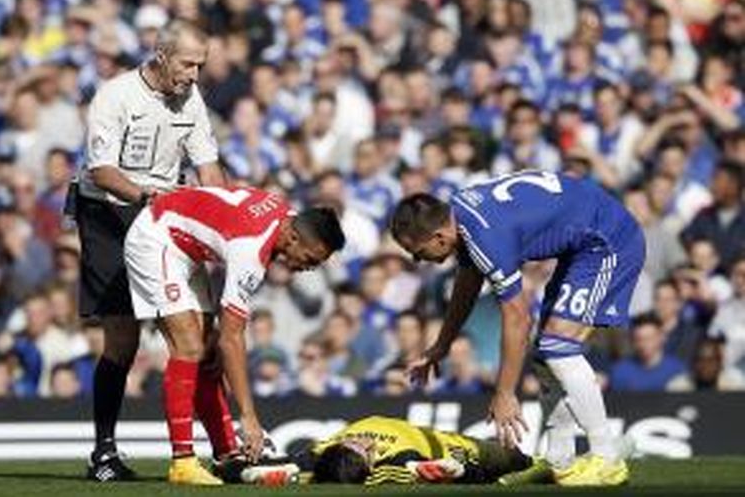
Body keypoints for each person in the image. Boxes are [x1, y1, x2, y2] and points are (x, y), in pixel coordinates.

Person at [391, 170, 645, 487]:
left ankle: (606, 459)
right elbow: (468, 282)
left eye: (417, 252)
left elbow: (518, 319)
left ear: (439, 238)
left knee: (558, 349)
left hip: (608, 241)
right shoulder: (461, 215)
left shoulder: (486, 236)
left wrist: (505, 394)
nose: (418, 261)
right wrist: (442, 345)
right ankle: (559, 460)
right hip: (584, 241)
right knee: (546, 354)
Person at [75, 20, 226, 481]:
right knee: (123, 339)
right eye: (188, 63)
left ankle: (222, 447)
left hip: (165, 214)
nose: (195, 74)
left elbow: (208, 168)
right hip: (110, 214)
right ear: (161, 55)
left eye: (200, 65)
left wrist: (220, 221)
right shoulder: (115, 95)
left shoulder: (191, 99)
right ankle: (103, 452)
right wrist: (148, 198)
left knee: (201, 332)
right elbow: (101, 171)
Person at [123, 185, 345, 485]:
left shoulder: (283, 215)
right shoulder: (252, 248)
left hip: (185, 244)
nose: (309, 267)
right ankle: (183, 462)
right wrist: (249, 416)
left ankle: (227, 454)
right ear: (293, 237)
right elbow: (233, 337)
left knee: (209, 354)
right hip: (155, 238)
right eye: (311, 258)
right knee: (189, 347)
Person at [227, 415, 550, 486]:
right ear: (368, 459)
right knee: (511, 461)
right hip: (445, 443)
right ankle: (538, 467)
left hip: (435, 443)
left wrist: (237, 470)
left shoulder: (324, 450)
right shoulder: (396, 455)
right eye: (365, 449)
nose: (367, 444)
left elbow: (282, 460)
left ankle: (290, 477)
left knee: (302, 467)